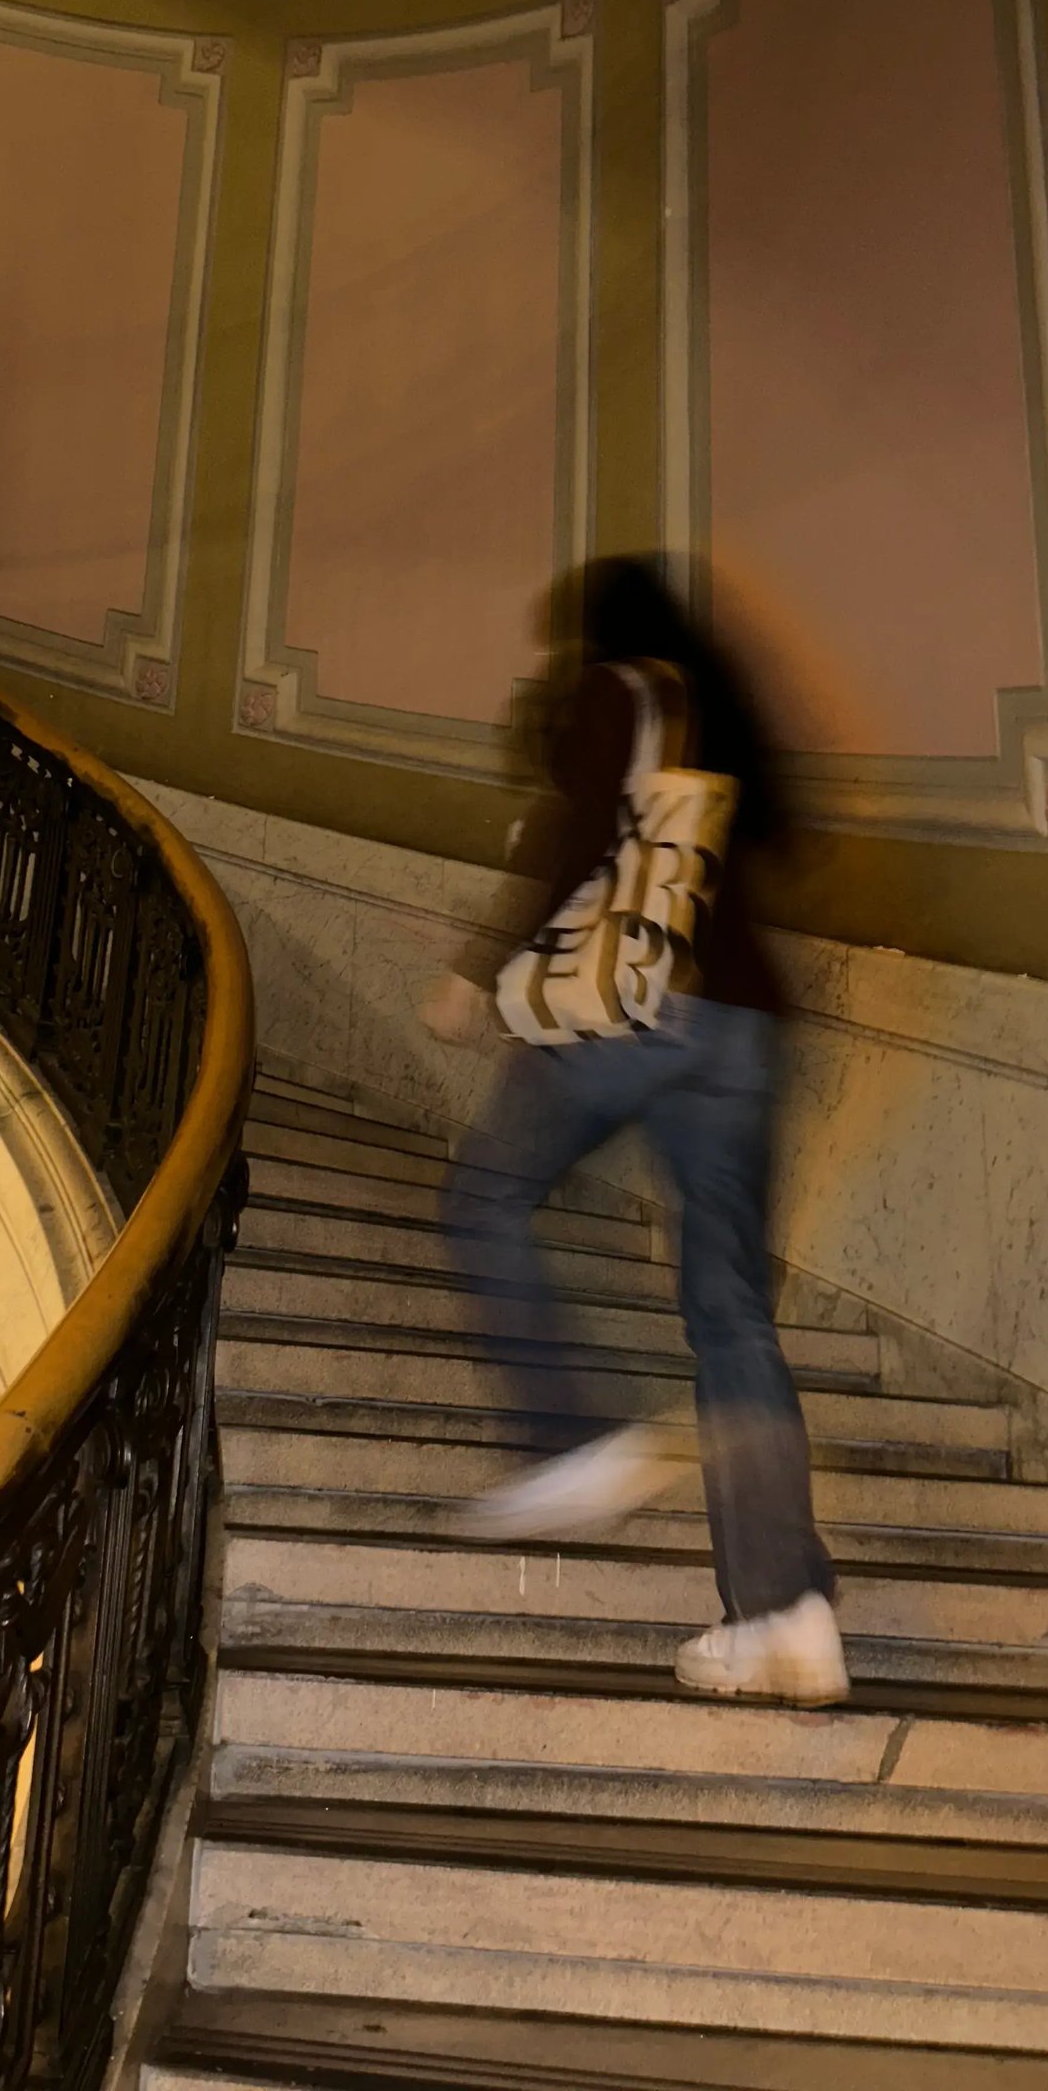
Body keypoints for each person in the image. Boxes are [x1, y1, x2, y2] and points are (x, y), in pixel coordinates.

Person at [425, 556, 847, 1708]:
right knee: (732, 1320)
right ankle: (785, 1616)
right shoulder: (721, 711)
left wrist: (477, 970)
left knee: (486, 1200)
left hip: (637, 1011)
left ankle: (571, 1439)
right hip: (745, 1025)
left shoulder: (622, 690)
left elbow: (577, 838)